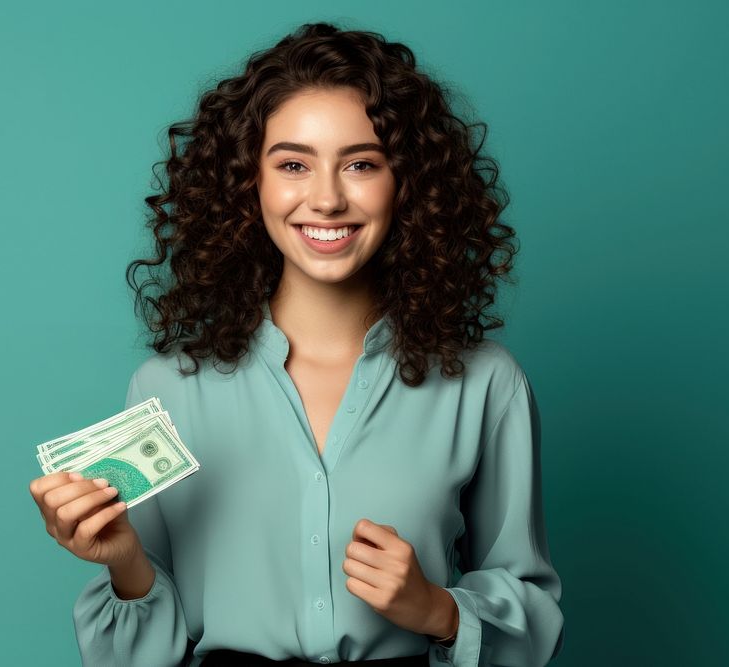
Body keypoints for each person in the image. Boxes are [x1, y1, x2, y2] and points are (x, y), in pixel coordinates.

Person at [29, 22, 565, 667]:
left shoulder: (484, 384)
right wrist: (125, 564)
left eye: (362, 163)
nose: (328, 199)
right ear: (247, 184)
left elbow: (530, 614)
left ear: (408, 184)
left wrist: (434, 609)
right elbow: (140, 654)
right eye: (292, 164)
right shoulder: (167, 388)